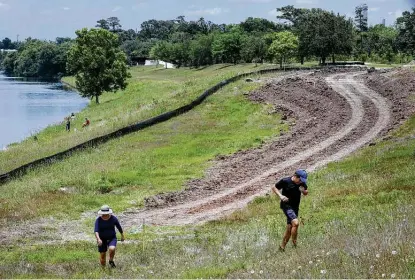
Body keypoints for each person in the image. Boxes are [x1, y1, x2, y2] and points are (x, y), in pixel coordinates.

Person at [271, 169, 309, 251]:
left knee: (290, 227)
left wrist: (303, 191)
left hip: (295, 207)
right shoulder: (285, 181)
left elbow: (306, 192)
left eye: (302, 181)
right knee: (296, 223)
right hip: (287, 206)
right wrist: (281, 196)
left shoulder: (301, 183)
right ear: (295, 176)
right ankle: (295, 245)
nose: (300, 182)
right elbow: (274, 187)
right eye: (300, 180)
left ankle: (282, 248)